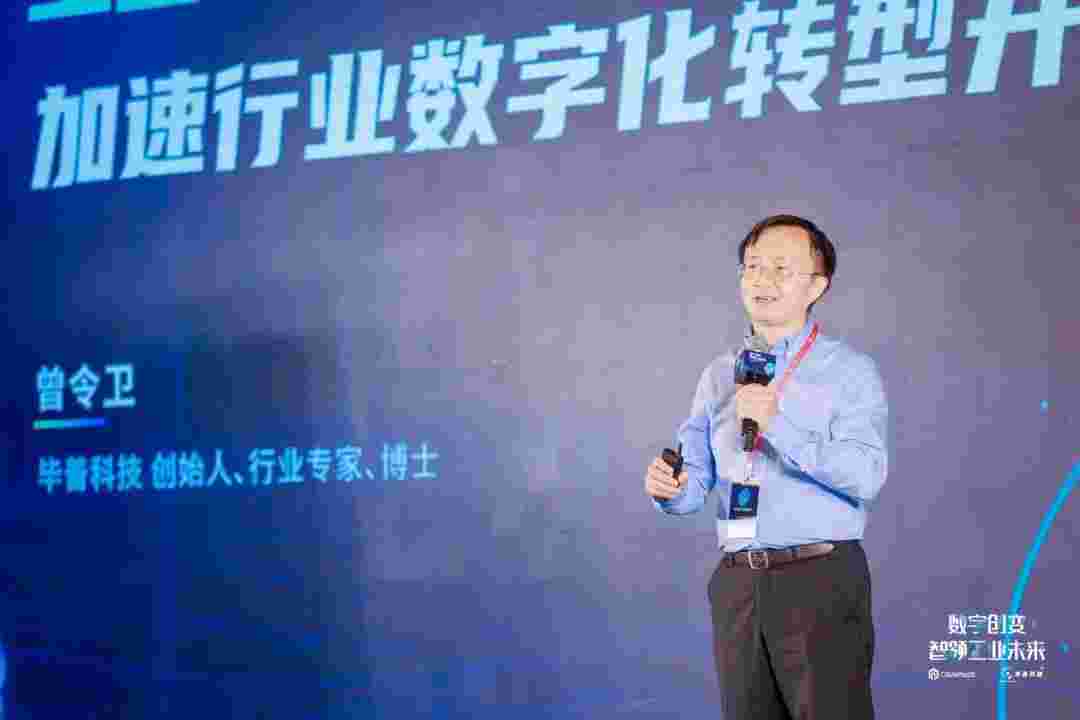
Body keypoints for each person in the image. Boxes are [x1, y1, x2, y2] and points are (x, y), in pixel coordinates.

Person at [643, 214, 888, 720]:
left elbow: (866, 474)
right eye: (753, 267)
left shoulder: (848, 371)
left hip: (818, 577)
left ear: (816, 286)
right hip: (739, 584)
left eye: (781, 268)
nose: (762, 280)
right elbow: (694, 481)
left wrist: (780, 427)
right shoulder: (719, 375)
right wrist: (670, 487)